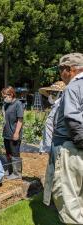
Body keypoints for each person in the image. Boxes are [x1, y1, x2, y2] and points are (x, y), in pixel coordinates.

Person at [44, 53, 83, 224]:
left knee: (69, 201)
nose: (60, 75)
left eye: (61, 70)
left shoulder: (74, 87)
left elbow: (72, 119)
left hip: (72, 148)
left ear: (70, 69)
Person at [1, 86, 24, 180]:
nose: (3, 99)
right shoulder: (6, 104)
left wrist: (16, 133)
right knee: (8, 153)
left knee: (15, 154)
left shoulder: (18, 104)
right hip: (6, 133)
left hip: (14, 133)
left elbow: (20, 119)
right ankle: (10, 170)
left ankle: (17, 173)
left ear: (11, 95)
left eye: (4, 96)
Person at [38, 81, 65, 154]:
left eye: (53, 93)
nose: (50, 95)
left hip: (54, 147)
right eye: (50, 92)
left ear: (61, 94)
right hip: (49, 147)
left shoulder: (61, 107)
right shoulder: (55, 106)